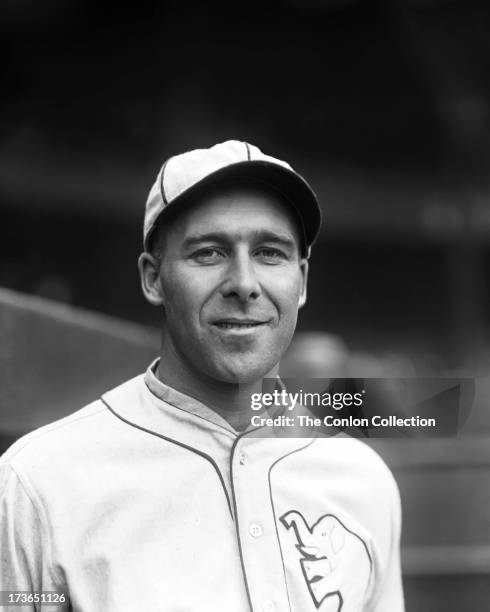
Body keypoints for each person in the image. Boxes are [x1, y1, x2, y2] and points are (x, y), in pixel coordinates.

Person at [0, 140, 404, 611]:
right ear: (153, 278)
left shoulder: (364, 481)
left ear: (303, 282)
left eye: (270, 252)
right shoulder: (39, 483)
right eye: (209, 253)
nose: (245, 284)